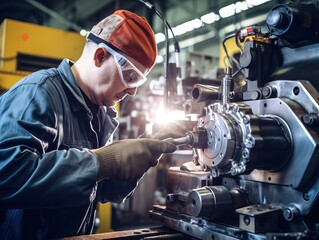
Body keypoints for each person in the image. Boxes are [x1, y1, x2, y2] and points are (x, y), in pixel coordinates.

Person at [0, 10, 180, 239]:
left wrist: (145, 152)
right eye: (130, 77)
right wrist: (102, 161)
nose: (133, 91)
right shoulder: (39, 93)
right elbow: (5, 175)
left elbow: (104, 190)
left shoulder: (100, 115)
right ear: (100, 56)